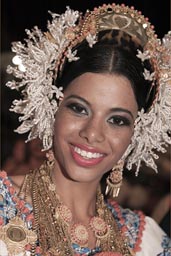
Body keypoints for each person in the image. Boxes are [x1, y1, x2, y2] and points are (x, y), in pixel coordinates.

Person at [0, 3, 171, 255]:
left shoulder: (148, 242)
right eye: (79, 109)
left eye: (117, 120)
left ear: (138, 131)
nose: (92, 133)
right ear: (52, 107)